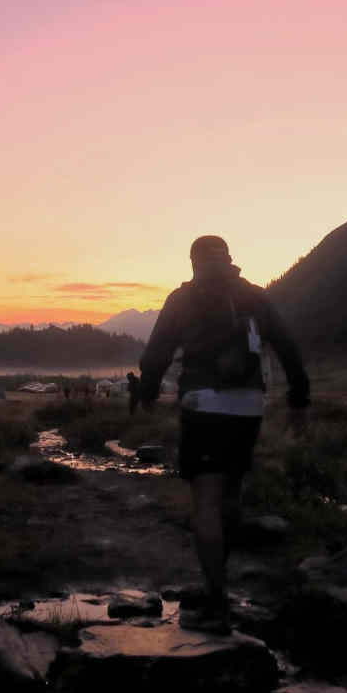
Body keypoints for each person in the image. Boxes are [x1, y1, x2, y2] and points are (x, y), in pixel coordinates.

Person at [139, 235, 309, 633]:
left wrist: (147, 392)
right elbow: (287, 346)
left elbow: (157, 351)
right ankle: (219, 585)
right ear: (229, 258)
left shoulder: (183, 297)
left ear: (194, 261)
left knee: (207, 501)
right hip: (249, 406)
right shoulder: (254, 296)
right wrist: (299, 399)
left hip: (203, 405)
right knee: (231, 494)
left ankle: (216, 602)